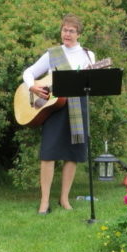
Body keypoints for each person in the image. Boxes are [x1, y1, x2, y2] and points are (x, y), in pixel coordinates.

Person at [23, 14, 95, 214]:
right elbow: (28, 73)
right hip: (54, 107)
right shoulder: (52, 54)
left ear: (79, 34)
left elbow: (90, 83)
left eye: (72, 31)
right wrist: (33, 87)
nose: (67, 34)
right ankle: (44, 202)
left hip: (78, 106)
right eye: (65, 30)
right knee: (49, 153)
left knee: (72, 154)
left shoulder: (89, 56)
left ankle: (64, 199)